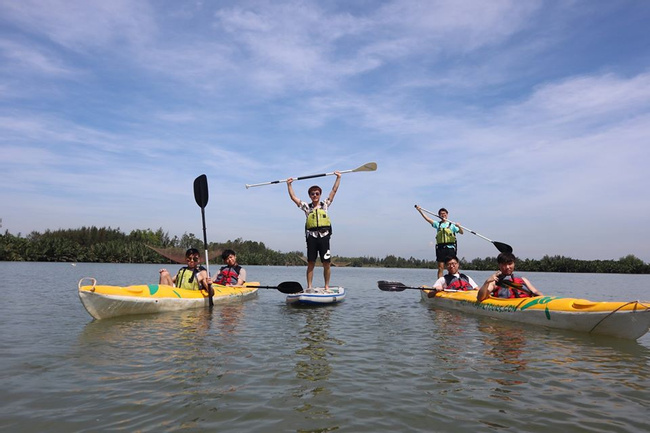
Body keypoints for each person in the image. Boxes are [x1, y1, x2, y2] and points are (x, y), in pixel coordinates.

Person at [287, 171, 342, 289]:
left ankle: (326, 286)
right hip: (312, 238)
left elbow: (334, 191)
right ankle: (309, 286)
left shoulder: (325, 205)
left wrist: (338, 178)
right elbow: (293, 197)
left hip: (324, 237)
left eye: (317, 193)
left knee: (326, 263)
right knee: (311, 263)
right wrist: (289, 185)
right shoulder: (307, 207)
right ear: (310, 196)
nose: (315, 195)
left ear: (320, 195)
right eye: (312, 194)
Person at [415, 206, 463, 278]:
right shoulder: (438, 224)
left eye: (444, 213)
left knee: (452, 267)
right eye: (441, 214)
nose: (443, 215)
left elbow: (461, 232)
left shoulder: (452, 225)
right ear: (439, 216)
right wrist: (420, 211)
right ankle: (439, 283)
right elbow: (427, 219)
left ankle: (455, 282)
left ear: (447, 214)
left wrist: (459, 226)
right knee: (441, 267)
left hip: (450, 248)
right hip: (440, 248)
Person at [477, 252, 543, 302]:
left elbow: (535, 291)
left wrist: (543, 298)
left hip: (525, 302)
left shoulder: (523, 279)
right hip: (508, 304)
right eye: (504, 264)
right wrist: (486, 282)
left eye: (510, 264)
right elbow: (480, 298)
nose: (507, 267)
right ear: (499, 265)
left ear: (514, 264)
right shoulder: (495, 281)